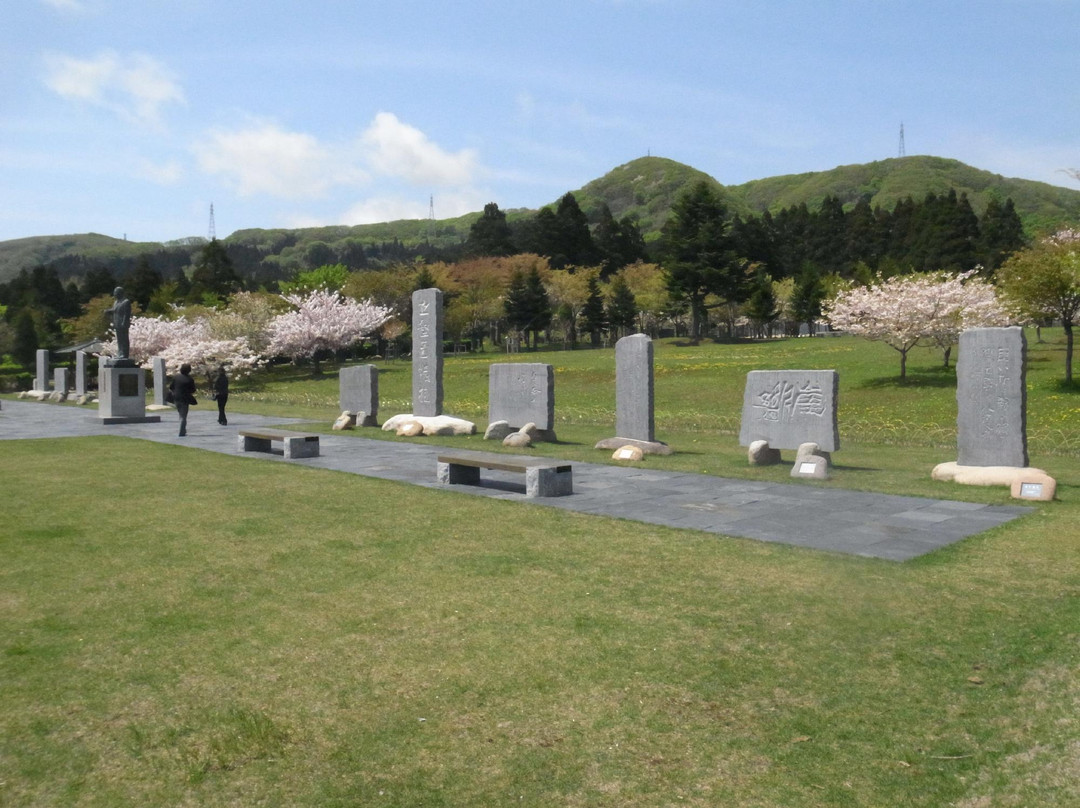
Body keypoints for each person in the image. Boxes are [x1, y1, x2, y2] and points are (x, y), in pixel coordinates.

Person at [169, 363, 197, 437]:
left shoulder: (176, 377)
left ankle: (183, 430)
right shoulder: (190, 379)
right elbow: (193, 390)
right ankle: (182, 431)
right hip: (185, 398)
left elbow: (171, 387)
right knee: (183, 415)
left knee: (180, 413)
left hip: (176, 397)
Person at [104, 287, 132, 360]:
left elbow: (127, 314)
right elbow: (115, 310)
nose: (114, 294)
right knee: (119, 340)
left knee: (124, 339)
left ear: (120, 293)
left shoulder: (126, 301)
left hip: (123, 323)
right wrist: (108, 311)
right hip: (117, 323)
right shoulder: (116, 302)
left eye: (115, 292)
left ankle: (124, 354)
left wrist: (124, 322)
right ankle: (120, 353)